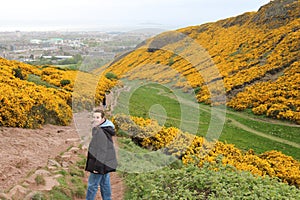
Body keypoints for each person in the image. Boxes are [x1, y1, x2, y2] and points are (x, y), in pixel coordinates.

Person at [85, 109, 117, 200]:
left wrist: (97, 167)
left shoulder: (101, 132)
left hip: (100, 163)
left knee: (92, 185)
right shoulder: (105, 129)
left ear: (103, 119)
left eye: (98, 117)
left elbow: (102, 151)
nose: (95, 119)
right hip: (105, 163)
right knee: (105, 183)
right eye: (94, 117)